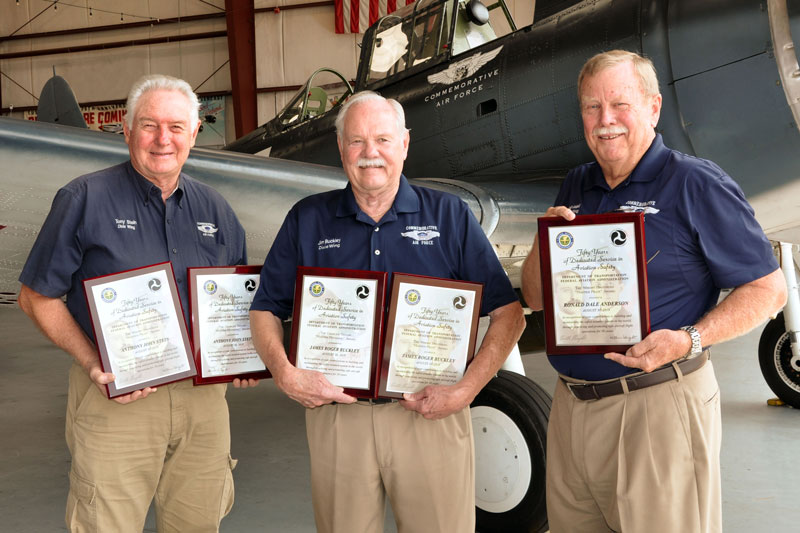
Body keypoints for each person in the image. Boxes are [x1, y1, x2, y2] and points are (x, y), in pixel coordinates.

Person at [521, 50, 788, 533]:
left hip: (656, 404)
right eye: (591, 107)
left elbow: (769, 289)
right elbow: (536, 299)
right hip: (571, 409)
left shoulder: (696, 183)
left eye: (619, 104)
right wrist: (545, 241)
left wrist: (689, 339)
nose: (605, 120)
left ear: (653, 107)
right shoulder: (576, 185)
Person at [249, 90, 525, 533]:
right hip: (339, 415)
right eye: (356, 141)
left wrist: (466, 390)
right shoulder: (307, 219)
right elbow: (265, 307)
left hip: (430, 413)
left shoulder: (450, 216)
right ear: (341, 147)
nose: (370, 153)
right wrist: (284, 373)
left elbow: (509, 314)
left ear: (405, 143)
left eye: (382, 139)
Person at [18, 74, 252, 533]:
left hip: (204, 404)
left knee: (198, 523)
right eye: (149, 125)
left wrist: (246, 356)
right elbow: (35, 297)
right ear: (126, 130)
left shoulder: (217, 210)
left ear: (194, 133)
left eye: (176, 127)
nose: (163, 139)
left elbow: (238, 301)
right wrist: (92, 362)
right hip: (117, 398)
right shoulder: (83, 198)